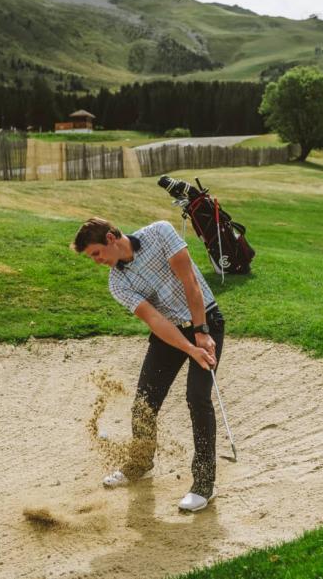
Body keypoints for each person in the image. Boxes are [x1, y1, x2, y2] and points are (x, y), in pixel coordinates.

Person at [71, 217, 225, 512]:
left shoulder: (160, 232)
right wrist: (189, 348)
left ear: (111, 239)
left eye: (96, 254)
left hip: (205, 319)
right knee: (145, 401)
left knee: (197, 396)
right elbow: (155, 320)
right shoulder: (118, 282)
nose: (97, 261)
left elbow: (189, 280)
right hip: (170, 331)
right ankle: (140, 463)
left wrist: (201, 332)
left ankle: (204, 484)